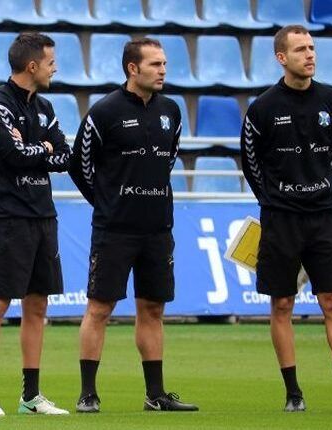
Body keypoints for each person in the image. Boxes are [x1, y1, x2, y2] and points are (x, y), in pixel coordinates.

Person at [240, 25, 332, 414]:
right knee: (281, 303)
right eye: (300, 49)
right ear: (281, 58)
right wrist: (276, 199)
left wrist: (314, 187)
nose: (310, 55)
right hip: (281, 220)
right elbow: (251, 163)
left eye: (312, 48)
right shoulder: (263, 108)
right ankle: (293, 392)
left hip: (322, 216)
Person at [68, 38, 198, 414]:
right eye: (155, 64)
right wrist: (107, 202)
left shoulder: (171, 111)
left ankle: (155, 395)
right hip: (114, 230)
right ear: (132, 68)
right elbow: (80, 166)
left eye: (164, 64)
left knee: (153, 309)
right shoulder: (103, 112)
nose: (163, 70)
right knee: (100, 308)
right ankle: (88, 393)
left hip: (158, 228)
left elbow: (168, 158)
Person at [0, 32, 71, 417]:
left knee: (37, 305)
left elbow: (63, 156)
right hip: (7, 218)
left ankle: (31, 397)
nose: (55, 67)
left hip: (43, 217)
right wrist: (41, 148)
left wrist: (43, 149)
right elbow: (15, 156)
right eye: (50, 62)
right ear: (32, 66)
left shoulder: (45, 106)